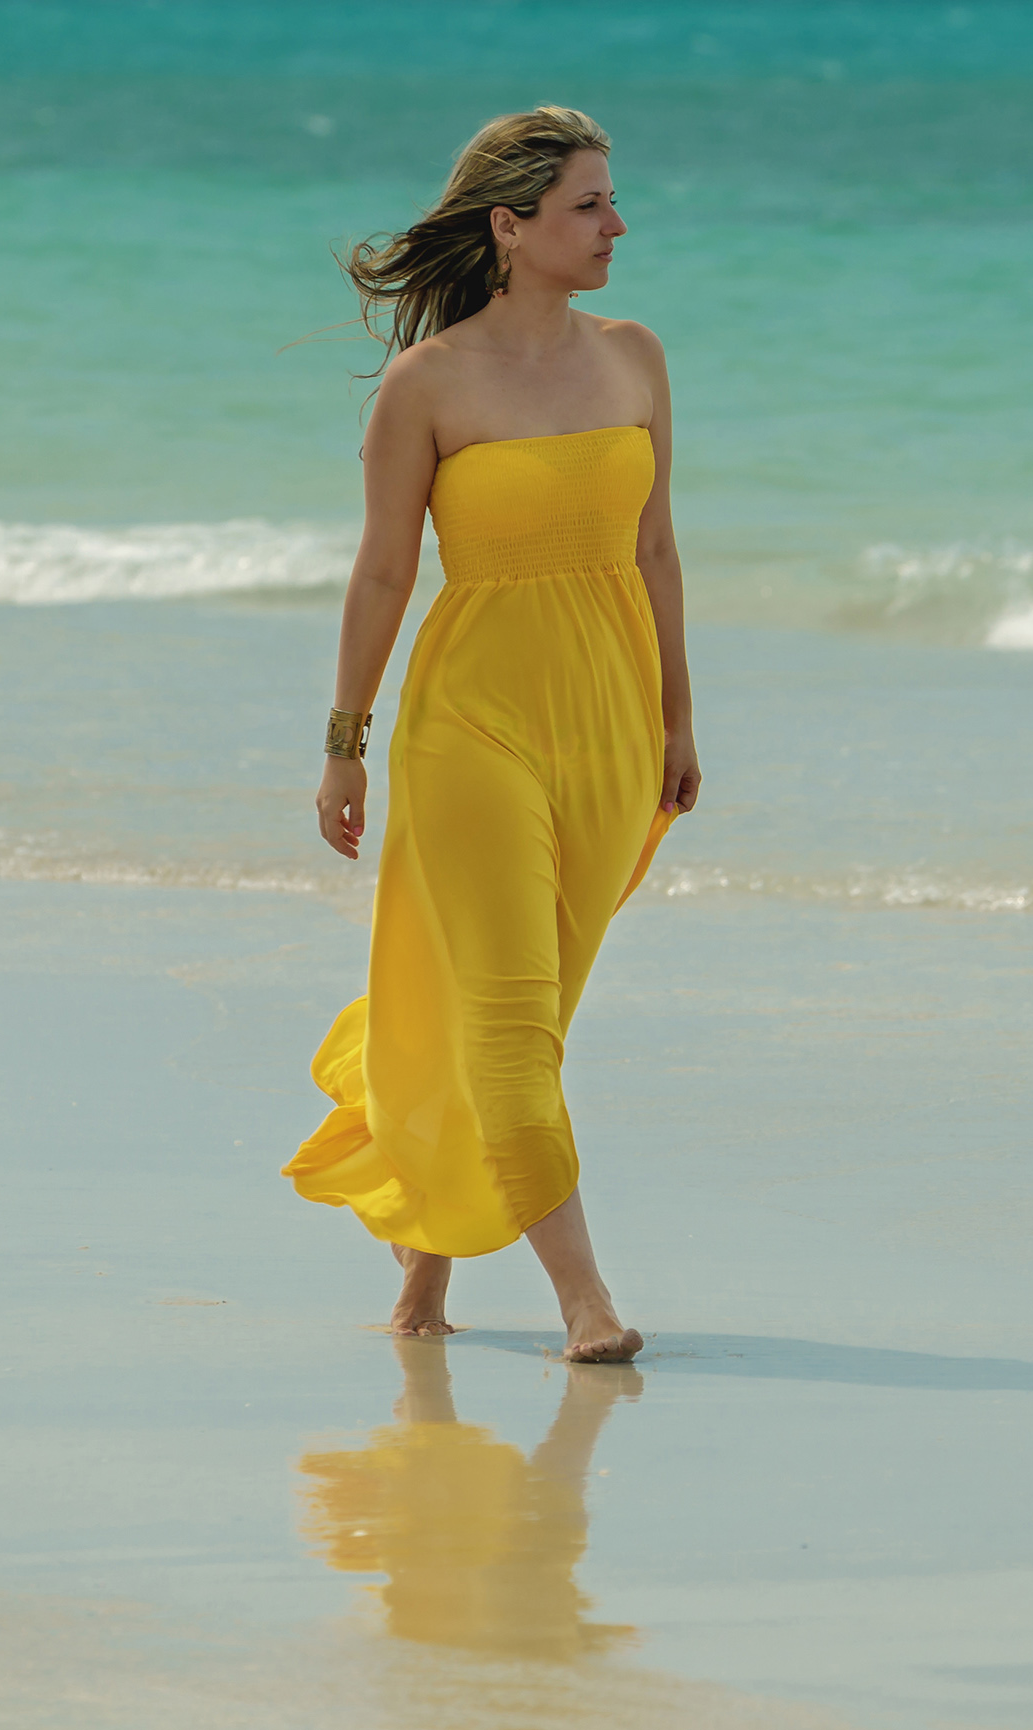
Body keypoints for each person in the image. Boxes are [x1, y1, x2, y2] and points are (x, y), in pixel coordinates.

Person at [281, 106, 699, 1363]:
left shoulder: (636, 356)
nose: (617, 224)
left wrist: (678, 715)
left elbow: (656, 547)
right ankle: (587, 1302)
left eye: (614, 201)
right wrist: (345, 741)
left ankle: (423, 1277)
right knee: (514, 1020)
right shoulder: (430, 383)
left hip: (610, 725)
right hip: (471, 725)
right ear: (510, 226)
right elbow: (380, 577)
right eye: (588, 205)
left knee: (529, 1010)